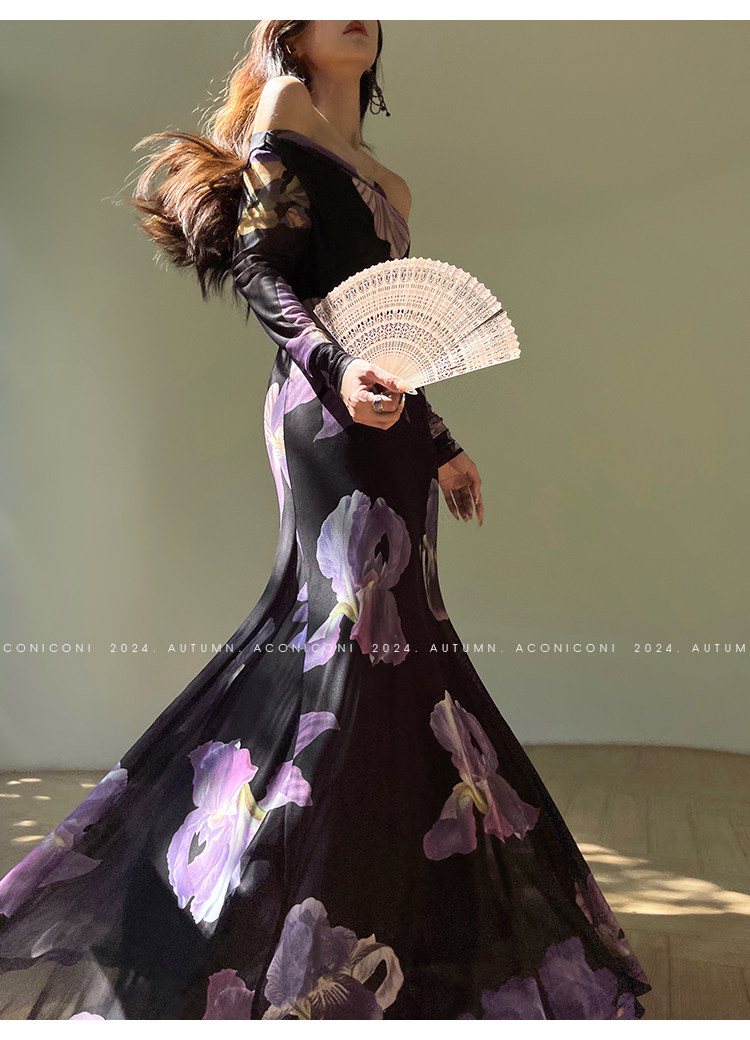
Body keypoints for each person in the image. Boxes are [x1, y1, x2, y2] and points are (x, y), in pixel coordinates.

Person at [0, 21, 652, 1019]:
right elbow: (264, 274)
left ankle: (393, 908)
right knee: (344, 638)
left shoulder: (393, 187)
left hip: (391, 430)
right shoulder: (284, 110)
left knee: (405, 650)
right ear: (289, 32)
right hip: (321, 411)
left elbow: (394, 337)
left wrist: (441, 442)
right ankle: (250, 912)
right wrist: (339, 372)